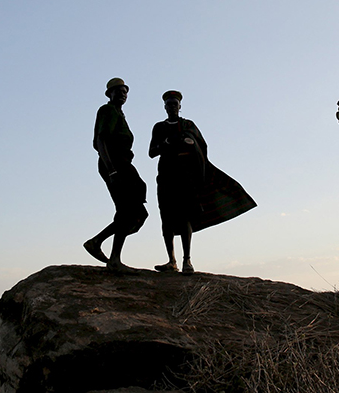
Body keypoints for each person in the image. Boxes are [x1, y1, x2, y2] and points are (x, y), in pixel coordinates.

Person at [149, 90, 256, 274]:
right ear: (164, 107)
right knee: (166, 217)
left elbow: (201, 147)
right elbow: (152, 151)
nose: (172, 107)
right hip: (166, 176)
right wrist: (167, 142)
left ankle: (187, 260)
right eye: (169, 104)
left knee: (185, 217)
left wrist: (188, 142)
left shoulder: (188, 125)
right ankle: (171, 261)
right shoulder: (159, 127)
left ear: (180, 106)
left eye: (175, 104)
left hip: (186, 177)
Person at [84, 78, 148, 270]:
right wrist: (111, 169)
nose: (122, 94)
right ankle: (114, 259)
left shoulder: (119, 114)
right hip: (114, 163)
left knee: (138, 213)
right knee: (127, 210)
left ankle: (97, 242)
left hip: (124, 164)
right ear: (109, 94)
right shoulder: (107, 110)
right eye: (118, 91)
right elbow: (101, 140)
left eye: (125, 92)